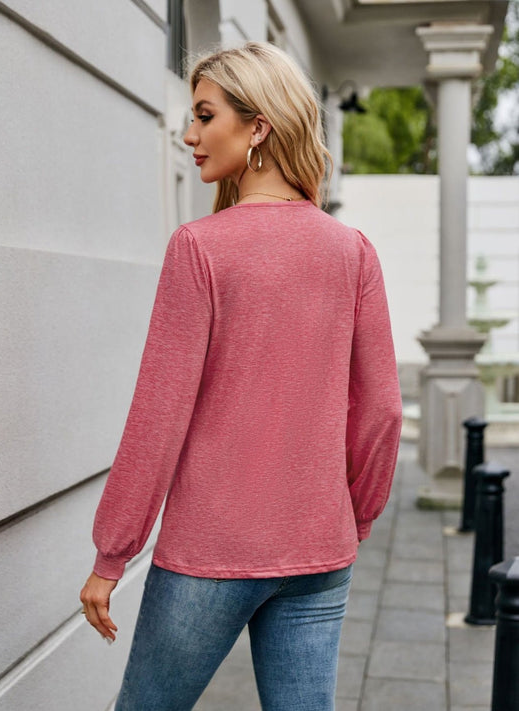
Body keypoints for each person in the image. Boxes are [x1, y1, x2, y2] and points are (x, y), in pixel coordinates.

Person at [80, 41, 402, 711]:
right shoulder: (352, 250)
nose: (189, 135)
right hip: (321, 549)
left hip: (212, 551)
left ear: (258, 127)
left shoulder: (199, 247)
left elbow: (158, 416)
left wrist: (112, 554)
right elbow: (380, 411)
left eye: (204, 116)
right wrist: (354, 516)